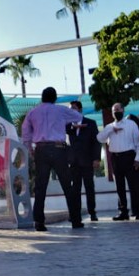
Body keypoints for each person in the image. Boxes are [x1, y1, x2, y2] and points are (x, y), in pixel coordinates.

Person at [21, 87, 84, 231]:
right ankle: (75, 220)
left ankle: (39, 222)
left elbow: (25, 131)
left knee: (40, 187)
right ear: (55, 98)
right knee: (67, 185)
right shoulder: (60, 110)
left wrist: (29, 148)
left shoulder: (32, 112)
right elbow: (77, 117)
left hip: (41, 149)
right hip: (58, 149)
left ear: (42, 98)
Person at [97, 102, 139, 220]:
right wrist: (111, 130)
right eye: (114, 110)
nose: (116, 112)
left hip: (129, 156)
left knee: (134, 186)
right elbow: (100, 138)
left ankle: (138, 211)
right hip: (115, 158)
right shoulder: (109, 126)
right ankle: (123, 212)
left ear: (123, 110)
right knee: (119, 186)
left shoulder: (131, 124)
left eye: (118, 109)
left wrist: (138, 159)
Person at [65, 100, 102, 222]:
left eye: (74, 108)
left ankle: (92, 212)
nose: (71, 111)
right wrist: (72, 126)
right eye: (70, 109)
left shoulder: (90, 123)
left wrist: (96, 158)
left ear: (80, 110)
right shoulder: (67, 125)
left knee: (89, 187)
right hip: (73, 162)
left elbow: (96, 142)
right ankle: (76, 214)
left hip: (87, 161)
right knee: (75, 189)